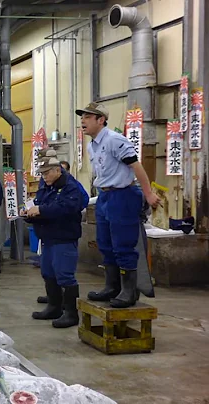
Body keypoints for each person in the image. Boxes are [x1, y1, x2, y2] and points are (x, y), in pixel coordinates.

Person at [78, 103, 160, 308]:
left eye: (88, 117)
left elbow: (136, 166)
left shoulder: (115, 140)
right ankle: (112, 286)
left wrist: (148, 194)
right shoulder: (92, 145)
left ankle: (129, 291)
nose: (83, 121)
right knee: (105, 243)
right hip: (105, 196)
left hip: (123, 195)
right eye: (82, 117)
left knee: (123, 244)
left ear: (101, 120)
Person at [22, 150, 88, 328]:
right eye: (42, 174)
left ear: (57, 170)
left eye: (46, 173)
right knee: (48, 273)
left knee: (65, 275)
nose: (43, 177)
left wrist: (41, 210)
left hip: (64, 237)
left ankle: (71, 313)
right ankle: (54, 307)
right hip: (48, 237)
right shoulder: (47, 185)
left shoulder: (71, 187)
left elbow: (66, 207)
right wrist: (29, 214)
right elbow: (41, 204)